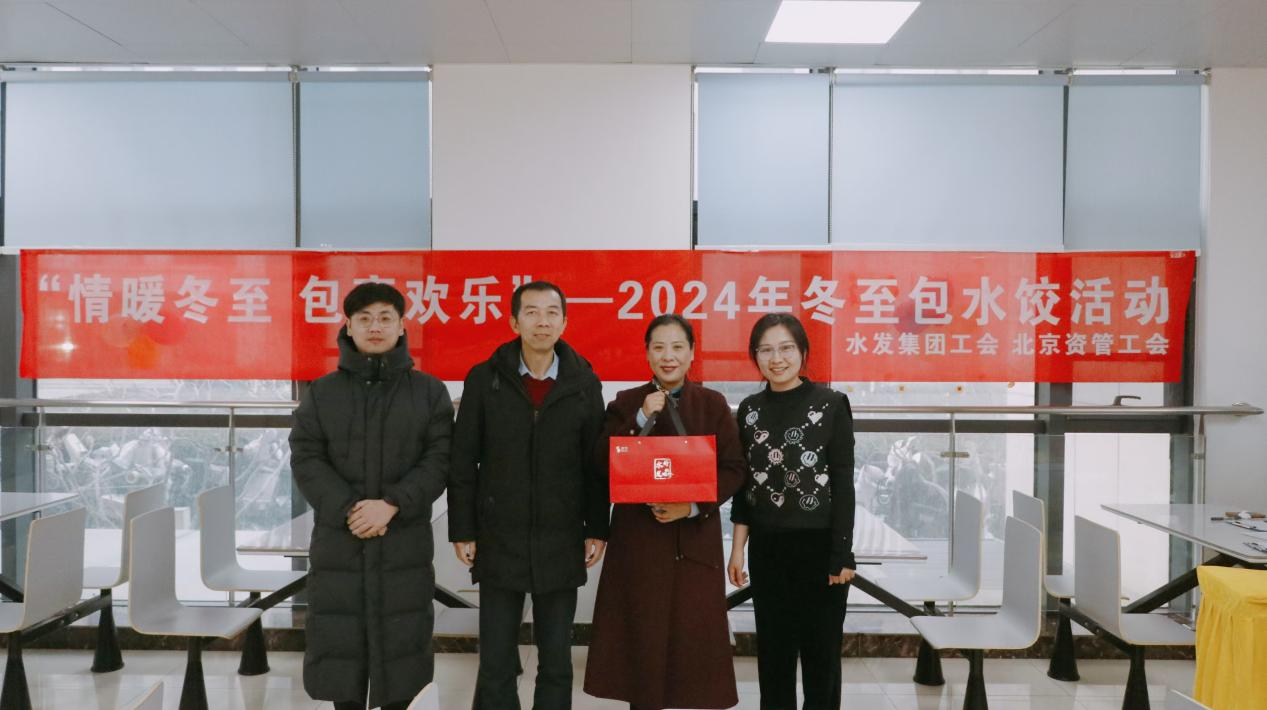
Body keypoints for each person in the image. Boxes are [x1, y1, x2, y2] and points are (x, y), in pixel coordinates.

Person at [289, 281, 454, 710]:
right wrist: (351, 510)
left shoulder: (429, 392)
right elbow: (306, 458)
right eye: (364, 318)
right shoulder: (322, 392)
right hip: (340, 541)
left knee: (402, 658)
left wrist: (392, 504)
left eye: (385, 318)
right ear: (349, 326)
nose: (375, 326)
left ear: (401, 326)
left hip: (403, 541)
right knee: (341, 659)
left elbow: (440, 460)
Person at [448, 281, 609, 710]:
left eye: (552, 312)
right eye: (532, 312)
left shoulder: (584, 383)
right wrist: (462, 528)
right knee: (496, 659)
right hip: (499, 535)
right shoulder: (484, 379)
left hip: (561, 536)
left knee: (556, 659)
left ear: (564, 322)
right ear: (514, 321)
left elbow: (595, 465)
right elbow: (462, 461)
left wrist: (597, 527)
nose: (542, 321)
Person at [584, 313, 745, 710]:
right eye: (659, 347)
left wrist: (691, 506)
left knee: (695, 650)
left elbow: (734, 469)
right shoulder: (625, 403)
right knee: (643, 644)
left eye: (677, 347)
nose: (668, 356)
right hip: (638, 545)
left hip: (694, 541)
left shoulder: (712, 404)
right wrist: (640, 417)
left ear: (691, 353)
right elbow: (599, 463)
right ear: (647, 354)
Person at [727, 313, 857, 710]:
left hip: (820, 549)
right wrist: (737, 550)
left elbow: (843, 485)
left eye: (785, 348)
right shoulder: (749, 410)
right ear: (755, 356)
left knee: (821, 660)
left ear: (803, 352)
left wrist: (842, 554)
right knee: (774, 658)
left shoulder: (831, 404)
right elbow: (745, 488)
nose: (776, 359)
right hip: (768, 550)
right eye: (766, 350)